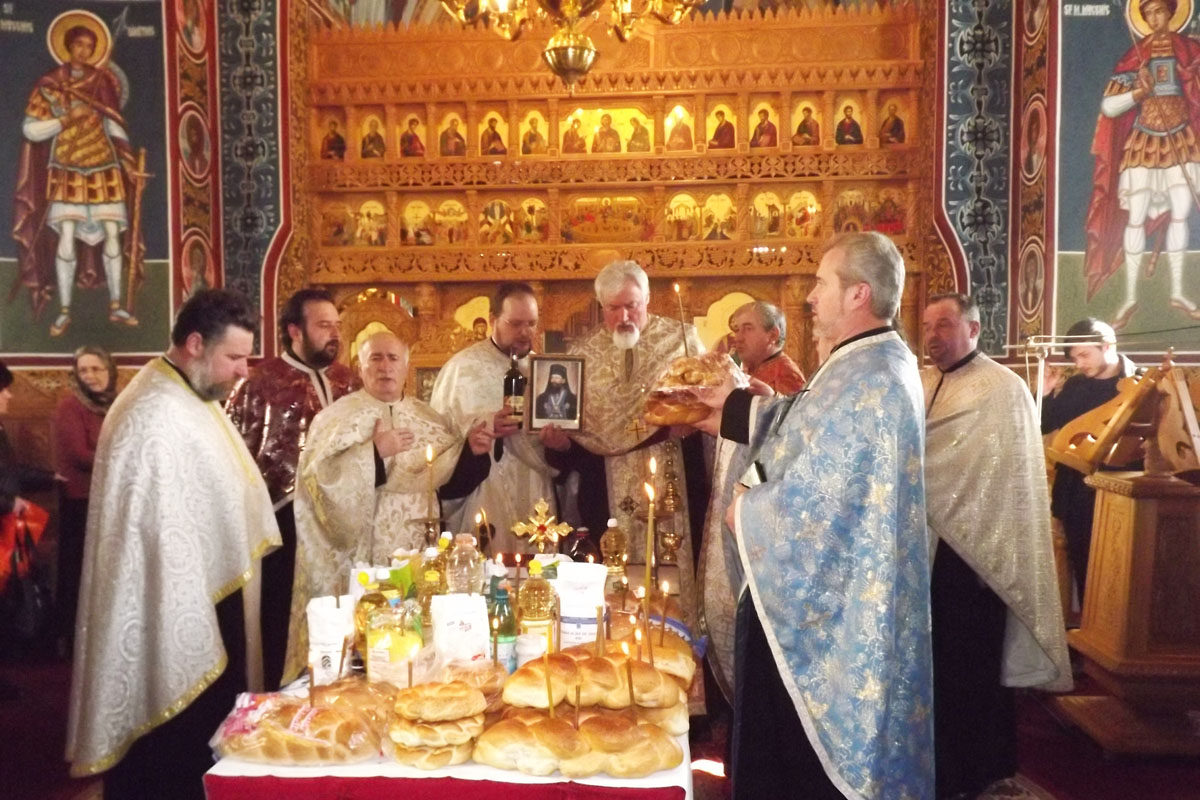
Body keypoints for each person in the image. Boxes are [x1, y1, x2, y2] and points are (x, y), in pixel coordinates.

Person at [700, 232, 931, 799]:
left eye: (821, 284)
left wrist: (748, 511)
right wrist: (732, 410)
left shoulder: (875, 377)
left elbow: (826, 499)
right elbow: (805, 427)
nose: (810, 297)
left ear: (858, 294)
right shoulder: (863, 361)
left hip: (828, 603)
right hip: (817, 591)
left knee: (794, 764)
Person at [66, 289, 280, 799]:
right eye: (234, 357)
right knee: (169, 761)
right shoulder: (154, 414)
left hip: (205, 594)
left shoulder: (188, 394)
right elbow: (158, 537)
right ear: (193, 344)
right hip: (170, 606)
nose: (243, 371)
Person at [922, 293, 1071, 799]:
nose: (933, 335)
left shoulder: (1003, 390)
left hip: (978, 559)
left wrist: (997, 555)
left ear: (973, 327)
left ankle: (980, 774)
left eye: (944, 324)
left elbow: (1015, 485)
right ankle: (938, 770)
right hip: (925, 553)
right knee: (934, 670)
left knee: (975, 675)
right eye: (926, 325)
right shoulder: (921, 383)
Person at [285, 331, 493, 683]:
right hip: (362, 550)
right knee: (367, 648)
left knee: (417, 639)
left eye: (392, 358)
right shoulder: (337, 418)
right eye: (375, 359)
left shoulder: (429, 418)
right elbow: (317, 486)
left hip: (418, 546)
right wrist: (372, 454)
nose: (385, 367)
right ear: (360, 367)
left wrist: (471, 451)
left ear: (406, 365)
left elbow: (451, 484)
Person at [543, 261, 706, 631]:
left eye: (632, 304)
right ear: (601, 307)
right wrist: (559, 445)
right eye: (614, 307)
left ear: (647, 299)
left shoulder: (681, 341)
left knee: (674, 579)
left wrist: (691, 422)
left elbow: (707, 409)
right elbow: (578, 441)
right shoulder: (582, 355)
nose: (624, 315)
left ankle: (678, 642)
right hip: (606, 487)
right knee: (614, 593)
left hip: (674, 476)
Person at [225, 288, 355, 690]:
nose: (334, 334)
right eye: (323, 325)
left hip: (342, 521)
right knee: (280, 617)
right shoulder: (258, 383)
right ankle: (280, 697)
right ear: (294, 330)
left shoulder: (350, 381)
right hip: (282, 521)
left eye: (336, 325)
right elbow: (235, 453)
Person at [14, 21, 141, 337]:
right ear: (67, 48)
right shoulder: (50, 85)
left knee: (113, 232)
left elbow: (113, 125)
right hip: (67, 167)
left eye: (89, 46)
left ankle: (116, 305)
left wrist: (127, 162)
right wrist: (65, 119)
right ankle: (65, 310)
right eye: (78, 45)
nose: (84, 51)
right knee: (66, 236)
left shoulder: (103, 83)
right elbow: (30, 129)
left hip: (103, 166)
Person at [1086, 0, 1200, 328]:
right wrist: (1138, 93)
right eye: (1148, 13)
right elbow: (1109, 107)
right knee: (1134, 219)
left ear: (1171, 13)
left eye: (1160, 11)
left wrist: (1190, 77)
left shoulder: (1190, 51)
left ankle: (1178, 291)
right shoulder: (1134, 56)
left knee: (1180, 215)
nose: (1154, 18)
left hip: (1181, 139)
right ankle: (1129, 298)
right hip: (1144, 142)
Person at [430, 283, 557, 555]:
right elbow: (439, 440)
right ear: (492, 320)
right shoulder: (461, 369)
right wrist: (486, 424)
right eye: (515, 323)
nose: (525, 332)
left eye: (531, 324)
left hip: (537, 488)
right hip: (484, 490)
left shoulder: (547, 371)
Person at [1041, 317, 1139, 598]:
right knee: (1085, 569)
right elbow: (1045, 425)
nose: (1080, 364)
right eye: (1074, 358)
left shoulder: (1139, 381)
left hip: (1120, 494)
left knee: (1122, 575)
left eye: (1084, 355)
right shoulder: (1075, 386)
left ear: (1107, 345)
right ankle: (1085, 634)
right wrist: (1047, 392)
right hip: (1076, 494)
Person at [53, 346, 118, 658]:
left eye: (97, 369)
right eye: (84, 371)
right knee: (77, 570)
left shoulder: (113, 404)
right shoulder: (71, 405)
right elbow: (79, 455)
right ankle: (70, 639)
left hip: (110, 498)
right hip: (81, 500)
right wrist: (124, 456)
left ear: (109, 371)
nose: (91, 376)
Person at [728, 301, 805, 395]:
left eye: (748, 329)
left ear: (773, 335)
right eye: (737, 330)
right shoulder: (751, 367)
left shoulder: (788, 377)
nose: (738, 338)